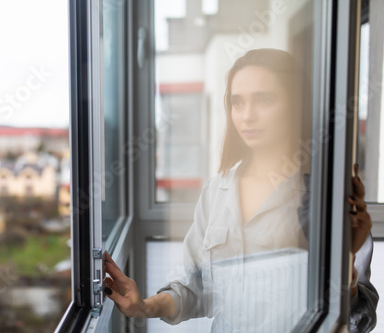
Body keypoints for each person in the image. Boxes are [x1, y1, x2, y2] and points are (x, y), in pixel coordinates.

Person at [104, 49, 378, 332]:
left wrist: (344, 265)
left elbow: (360, 321)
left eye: (264, 99)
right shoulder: (216, 192)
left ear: (297, 104)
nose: (247, 116)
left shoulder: (329, 197)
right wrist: (146, 306)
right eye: (237, 102)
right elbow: (196, 286)